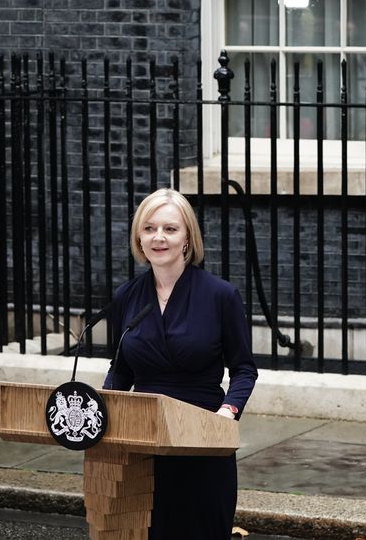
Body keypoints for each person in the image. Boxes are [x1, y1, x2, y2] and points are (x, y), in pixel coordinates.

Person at [103, 188, 257, 540]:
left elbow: (244, 369)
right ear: (139, 238)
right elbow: (122, 368)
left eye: (170, 229)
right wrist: (102, 406)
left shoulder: (221, 296)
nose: (159, 237)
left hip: (201, 437)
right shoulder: (126, 296)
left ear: (188, 238)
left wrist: (227, 412)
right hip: (143, 439)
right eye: (149, 228)